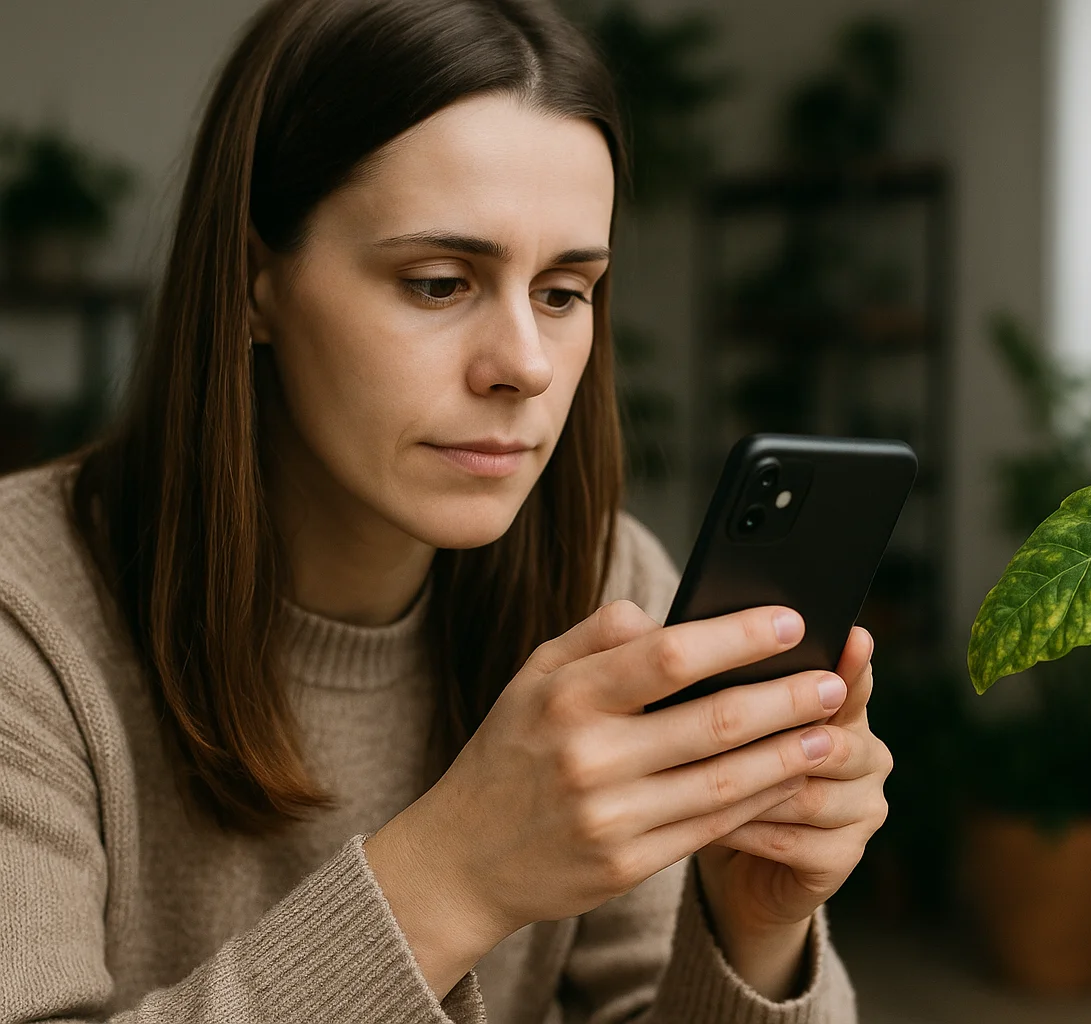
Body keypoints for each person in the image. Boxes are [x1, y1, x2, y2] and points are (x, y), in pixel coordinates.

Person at [0, 1, 891, 1019]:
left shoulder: (611, 594)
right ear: (254, 281)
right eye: (436, 282)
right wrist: (452, 875)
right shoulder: (24, 622)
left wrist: (754, 927)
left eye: (563, 292)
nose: (523, 364)